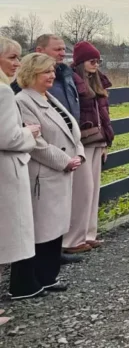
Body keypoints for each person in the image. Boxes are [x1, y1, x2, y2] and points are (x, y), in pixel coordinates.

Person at [12, 53, 84, 298]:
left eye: (53, 71)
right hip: (44, 173)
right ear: (31, 74)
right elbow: (36, 142)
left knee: (55, 228)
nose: (52, 75)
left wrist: (80, 154)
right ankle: (35, 279)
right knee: (43, 229)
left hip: (62, 171)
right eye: (46, 72)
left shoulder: (50, 97)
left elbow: (71, 128)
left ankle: (48, 276)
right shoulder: (23, 101)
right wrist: (65, 161)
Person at [0, 38, 41, 304]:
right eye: (12, 57)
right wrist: (29, 132)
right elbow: (7, 138)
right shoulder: (3, 92)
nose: (17, 63)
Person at [63, 41, 114, 255]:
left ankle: (89, 234)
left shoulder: (98, 81)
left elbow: (105, 113)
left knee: (93, 190)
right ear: (81, 61)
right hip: (82, 142)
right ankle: (72, 238)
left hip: (98, 139)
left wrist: (107, 141)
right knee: (82, 191)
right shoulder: (72, 81)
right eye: (92, 60)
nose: (96, 64)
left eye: (98, 60)